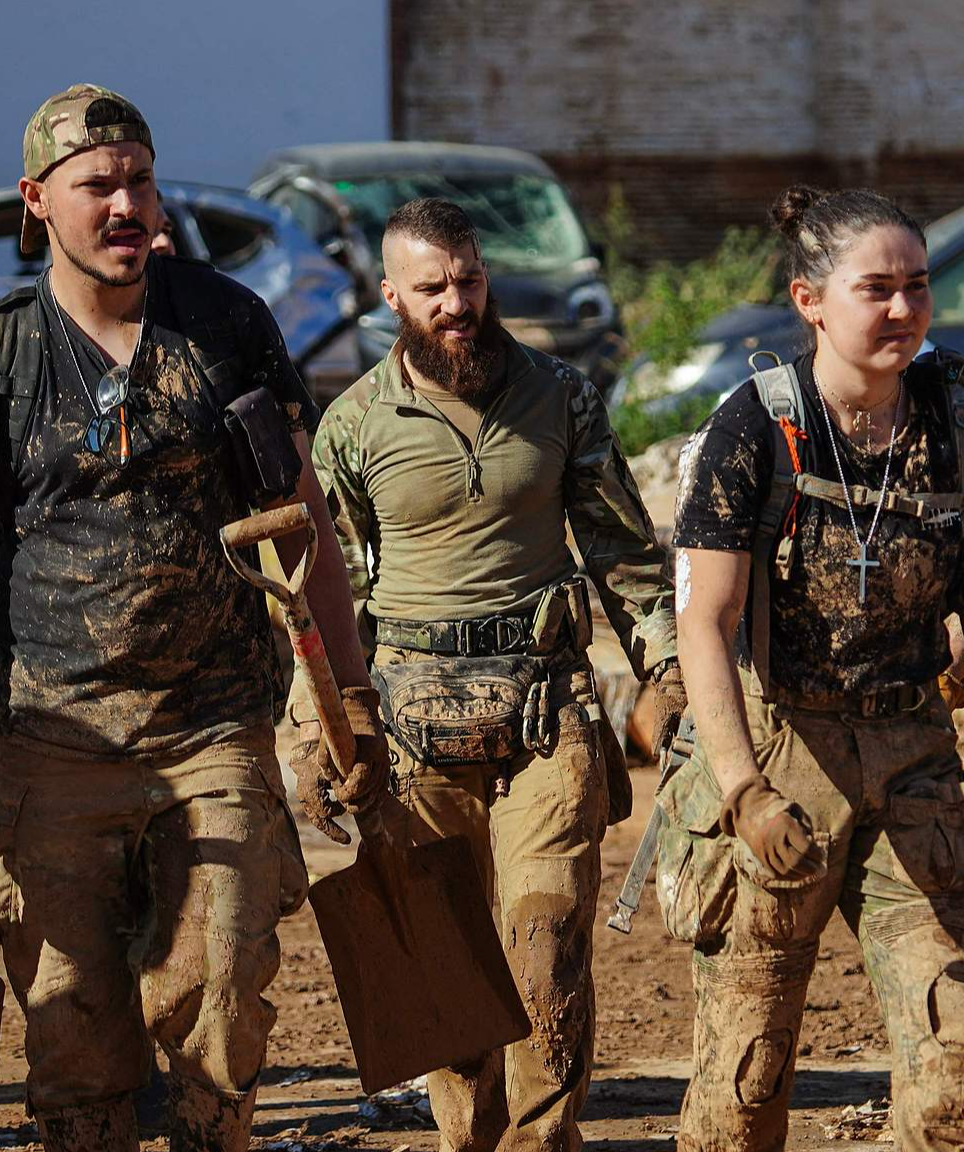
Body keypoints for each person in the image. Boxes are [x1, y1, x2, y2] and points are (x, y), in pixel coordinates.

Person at [0, 84, 385, 1152]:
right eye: (96, 185)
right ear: (37, 201)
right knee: (75, 1045)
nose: (125, 205)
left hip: (211, 731)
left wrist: (348, 698)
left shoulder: (224, 325)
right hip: (50, 745)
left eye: (139, 181)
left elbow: (300, 529)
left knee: (218, 1003)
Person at [665, 185, 964, 1152]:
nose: (902, 309)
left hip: (914, 754)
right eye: (875, 289)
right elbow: (704, 625)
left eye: (918, 287)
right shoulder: (754, 428)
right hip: (780, 751)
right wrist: (744, 795)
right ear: (810, 300)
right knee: (745, 1081)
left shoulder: (962, 424)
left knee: (957, 1058)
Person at [309, 197, 681, 1152]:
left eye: (469, 280)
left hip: (545, 714)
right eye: (430, 288)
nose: (456, 304)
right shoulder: (352, 426)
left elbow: (624, 553)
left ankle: (541, 1143)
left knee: (545, 951)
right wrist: (318, 727)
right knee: (447, 976)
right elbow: (322, 589)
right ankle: (461, 1140)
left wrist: (668, 672)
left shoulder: (560, 396)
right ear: (391, 295)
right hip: (407, 734)